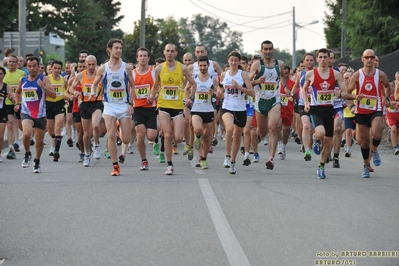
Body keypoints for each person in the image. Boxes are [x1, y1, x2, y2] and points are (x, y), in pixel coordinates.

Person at [147, 43, 197, 175]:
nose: (169, 53)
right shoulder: (158, 69)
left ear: (176, 53)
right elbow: (155, 86)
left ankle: (170, 142)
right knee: (168, 135)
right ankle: (169, 164)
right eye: (167, 51)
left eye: (172, 51)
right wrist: (152, 96)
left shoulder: (182, 68)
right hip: (163, 105)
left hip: (177, 106)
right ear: (164, 52)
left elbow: (193, 83)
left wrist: (189, 96)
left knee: (179, 138)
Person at [91, 38, 135, 176]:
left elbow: (133, 86)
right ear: (109, 49)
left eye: (120, 48)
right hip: (109, 105)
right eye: (116, 48)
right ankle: (115, 166)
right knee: (110, 135)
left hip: (123, 105)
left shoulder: (127, 67)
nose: (119, 51)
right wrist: (92, 92)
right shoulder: (103, 69)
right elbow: (94, 84)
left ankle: (119, 127)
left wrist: (130, 103)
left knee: (126, 139)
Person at [344, 49, 390, 178]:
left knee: (376, 132)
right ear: (362, 59)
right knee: (364, 142)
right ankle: (365, 165)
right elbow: (347, 93)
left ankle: (374, 150)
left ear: (374, 59)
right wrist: (354, 99)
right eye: (367, 57)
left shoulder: (380, 74)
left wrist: (386, 98)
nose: (370, 60)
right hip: (361, 110)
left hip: (376, 108)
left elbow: (387, 86)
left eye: (372, 57)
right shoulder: (357, 75)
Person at [302, 48, 345, 179]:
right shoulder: (310, 74)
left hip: (329, 110)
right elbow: (304, 90)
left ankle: (321, 166)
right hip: (316, 109)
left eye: (325, 57)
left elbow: (344, 90)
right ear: (317, 59)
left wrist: (341, 93)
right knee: (320, 133)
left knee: (328, 143)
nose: (323, 59)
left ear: (329, 58)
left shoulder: (336, 74)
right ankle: (315, 139)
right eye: (320, 57)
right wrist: (306, 103)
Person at [249, 40, 288, 170]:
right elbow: (248, 82)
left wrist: (285, 87)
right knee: (263, 131)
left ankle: (271, 158)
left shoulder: (279, 64)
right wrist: (257, 81)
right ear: (261, 51)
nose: (268, 51)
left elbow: (282, 76)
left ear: (273, 50)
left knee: (273, 127)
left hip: (274, 100)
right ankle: (259, 135)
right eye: (265, 49)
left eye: (270, 49)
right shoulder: (257, 65)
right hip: (260, 101)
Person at [14, 56, 57, 172]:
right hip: (26, 112)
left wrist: (43, 87)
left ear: (38, 67)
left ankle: (37, 160)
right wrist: (17, 103)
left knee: (39, 140)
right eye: (29, 66)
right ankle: (27, 153)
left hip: (40, 114)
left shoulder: (44, 79)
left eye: (34, 66)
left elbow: (54, 95)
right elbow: (18, 92)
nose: (32, 69)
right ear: (26, 67)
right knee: (27, 133)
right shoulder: (22, 80)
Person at [219, 51, 255, 174]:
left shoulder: (243, 74)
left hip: (240, 109)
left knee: (237, 138)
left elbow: (251, 92)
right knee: (229, 129)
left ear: (239, 62)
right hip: (227, 107)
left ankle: (233, 162)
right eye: (231, 60)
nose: (233, 62)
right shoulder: (224, 75)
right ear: (228, 61)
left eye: (235, 60)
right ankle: (227, 157)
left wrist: (239, 87)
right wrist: (218, 93)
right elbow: (220, 89)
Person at [69, 55, 103, 167]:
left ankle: (96, 145)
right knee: (86, 134)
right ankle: (87, 154)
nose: (91, 67)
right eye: (89, 64)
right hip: (85, 105)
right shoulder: (80, 75)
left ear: (96, 63)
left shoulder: (100, 74)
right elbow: (71, 88)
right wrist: (75, 93)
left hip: (97, 103)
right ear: (85, 65)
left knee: (96, 125)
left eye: (93, 64)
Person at [185, 56, 219, 169]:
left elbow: (220, 95)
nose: (203, 67)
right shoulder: (194, 78)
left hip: (208, 111)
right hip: (196, 110)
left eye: (205, 65)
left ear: (208, 66)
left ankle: (204, 159)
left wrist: (213, 94)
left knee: (207, 137)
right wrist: (188, 98)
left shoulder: (213, 80)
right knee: (198, 130)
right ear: (198, 66)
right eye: (200, 66)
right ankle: (197, 141)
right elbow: (186, 89)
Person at [132, 47, 158, 170]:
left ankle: (155, 142)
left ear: (148, 58)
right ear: (137, 58)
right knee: (140, 134)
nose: (142, 58)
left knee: (151, 136)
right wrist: (129, 103)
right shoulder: (132, 73)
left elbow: (160, 88)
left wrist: (154, 96)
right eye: (140, 56)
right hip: (137, 108)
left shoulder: (153, 72)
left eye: (144, 56)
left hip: (151, 108)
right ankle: (143, 160)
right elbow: (129, 90)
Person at [291, 53, 316, 160]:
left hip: (316, 103)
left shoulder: (317, 73)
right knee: (305, 126)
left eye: (311, 60)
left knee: (315, 129)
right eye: (307, 60)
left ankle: (317, 142)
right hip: (302, 102)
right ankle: (307, 150)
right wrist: (292, 95)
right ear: (304, 62)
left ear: (314, 62)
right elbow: (297, 86)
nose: (309, 62)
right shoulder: (300, 74)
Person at [46, 60, 69, 162]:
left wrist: (67, 98)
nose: (57, 70)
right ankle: (56, 140)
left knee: (58, 127)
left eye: (59, 69)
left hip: (59, 104)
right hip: (48, 105)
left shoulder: (63, 80)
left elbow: (66, 91)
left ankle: (56, 151)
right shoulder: (47, 79)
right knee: (51, 131)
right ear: (51, 68)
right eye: (55, 68)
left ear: (61, 69)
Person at [4, 55, 26, 159]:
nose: (11, 63)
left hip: (19, 103)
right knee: (10, 124)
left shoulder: (22, 74)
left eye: (13, 62)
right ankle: (11, 148)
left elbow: (26, 89)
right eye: (9, 62)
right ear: (7, 63)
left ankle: (26, 139)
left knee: (21, 126)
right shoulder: (4, 74)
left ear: (17, 63)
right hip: (7, 103)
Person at [0, 67, 9, 162]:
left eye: (1, 74)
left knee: (1, 136)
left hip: (2, 112)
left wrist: (10, 97)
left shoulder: (6, 86)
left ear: (4, 75)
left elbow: (12, 98)